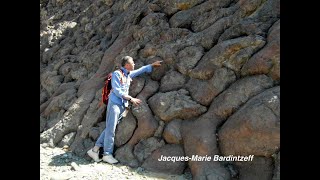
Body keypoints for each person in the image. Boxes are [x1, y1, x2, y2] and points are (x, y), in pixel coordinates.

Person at [87, 56, 162, 164]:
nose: (134, 64)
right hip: (114, 105)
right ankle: (107, 154)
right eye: (132, 62)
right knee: (111, 130)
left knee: (109, 128)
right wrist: (131, 98)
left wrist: (151, 65)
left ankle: (95, 150)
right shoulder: (117, 74)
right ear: (127, 65)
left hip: (121, 105)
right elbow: (117, 91)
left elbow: (139, 70)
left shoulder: (127, 74)